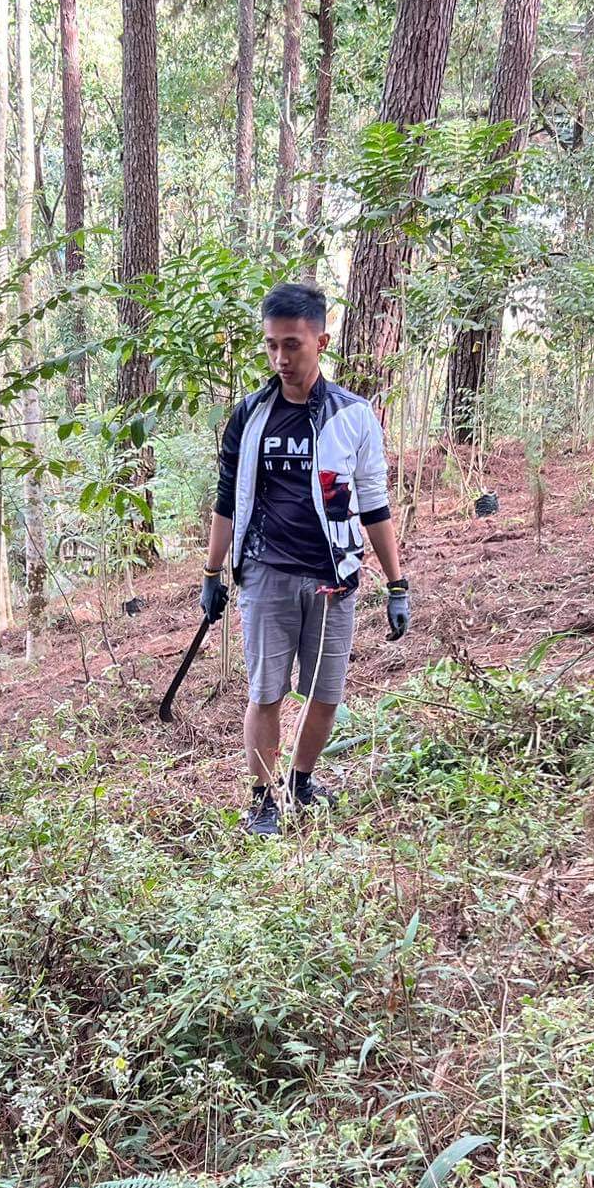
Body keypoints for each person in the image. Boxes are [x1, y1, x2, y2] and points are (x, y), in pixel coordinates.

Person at [200, 282, 411, 835]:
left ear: (321, 339)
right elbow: (228, 498)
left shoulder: (354, 417)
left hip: (334, 576)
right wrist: (211, 572)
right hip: (266, 574)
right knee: (266, 691)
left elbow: (374, 502)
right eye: (271, 345)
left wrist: (396, 584)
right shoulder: (250, 416)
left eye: (292, 344)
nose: (280, 358)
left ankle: (300, 780)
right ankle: (263, 800)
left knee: (324, 692)